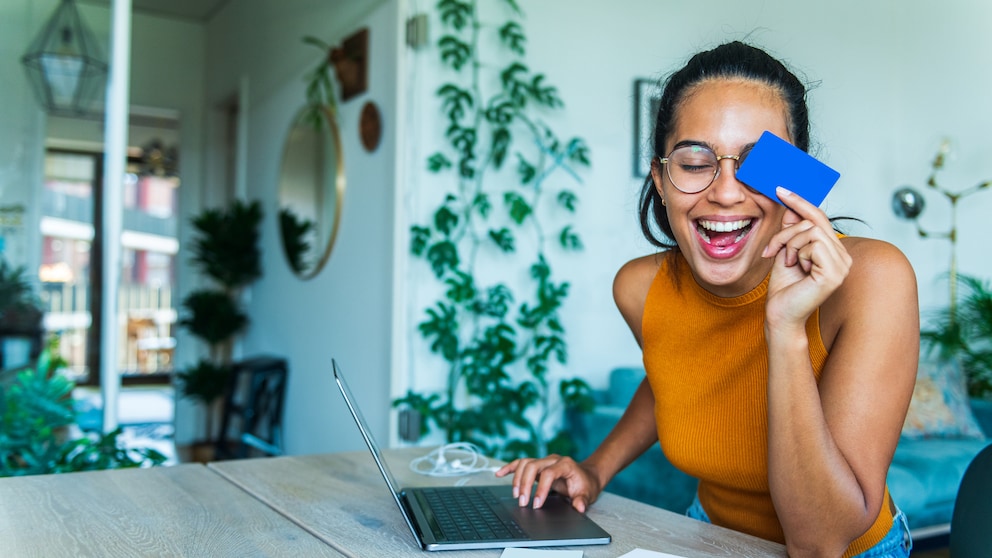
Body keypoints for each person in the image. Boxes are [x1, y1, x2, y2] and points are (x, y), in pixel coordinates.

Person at [495, 41, 919, 558]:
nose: (724, 192)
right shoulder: (639, 288)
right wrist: (594, 468)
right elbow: (675, 377)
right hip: (709, 537)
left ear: (794, 177)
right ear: (661, 179)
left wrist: (784, 329)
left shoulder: (873, 279)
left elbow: (819, 542)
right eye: (695, 161)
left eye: (756, 163)